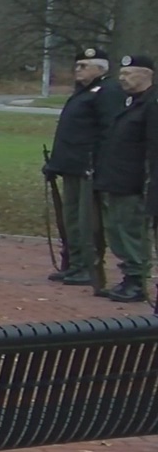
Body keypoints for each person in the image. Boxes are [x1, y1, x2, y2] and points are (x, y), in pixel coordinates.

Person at [45, 46, 111, 288]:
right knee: (71, 218)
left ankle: (88, 266)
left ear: (100, 68)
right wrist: (56, 163)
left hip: (88, 167)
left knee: (87, 221)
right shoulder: (82, 93)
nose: (78, 70)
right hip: (71, 165)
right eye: (77, 65)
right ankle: (75, 263)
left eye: (84, 66)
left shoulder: (105, 92)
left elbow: (107, 132)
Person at [96, 55, 152, 301]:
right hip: (116, 179)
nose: (122, 77)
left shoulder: (151, 105)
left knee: (131, 232)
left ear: (146, 75)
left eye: (129, 73)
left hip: (134, 182)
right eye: (122, 73)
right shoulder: (129, 103)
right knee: (116, 230)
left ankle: (137, 280)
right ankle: (128, 276)